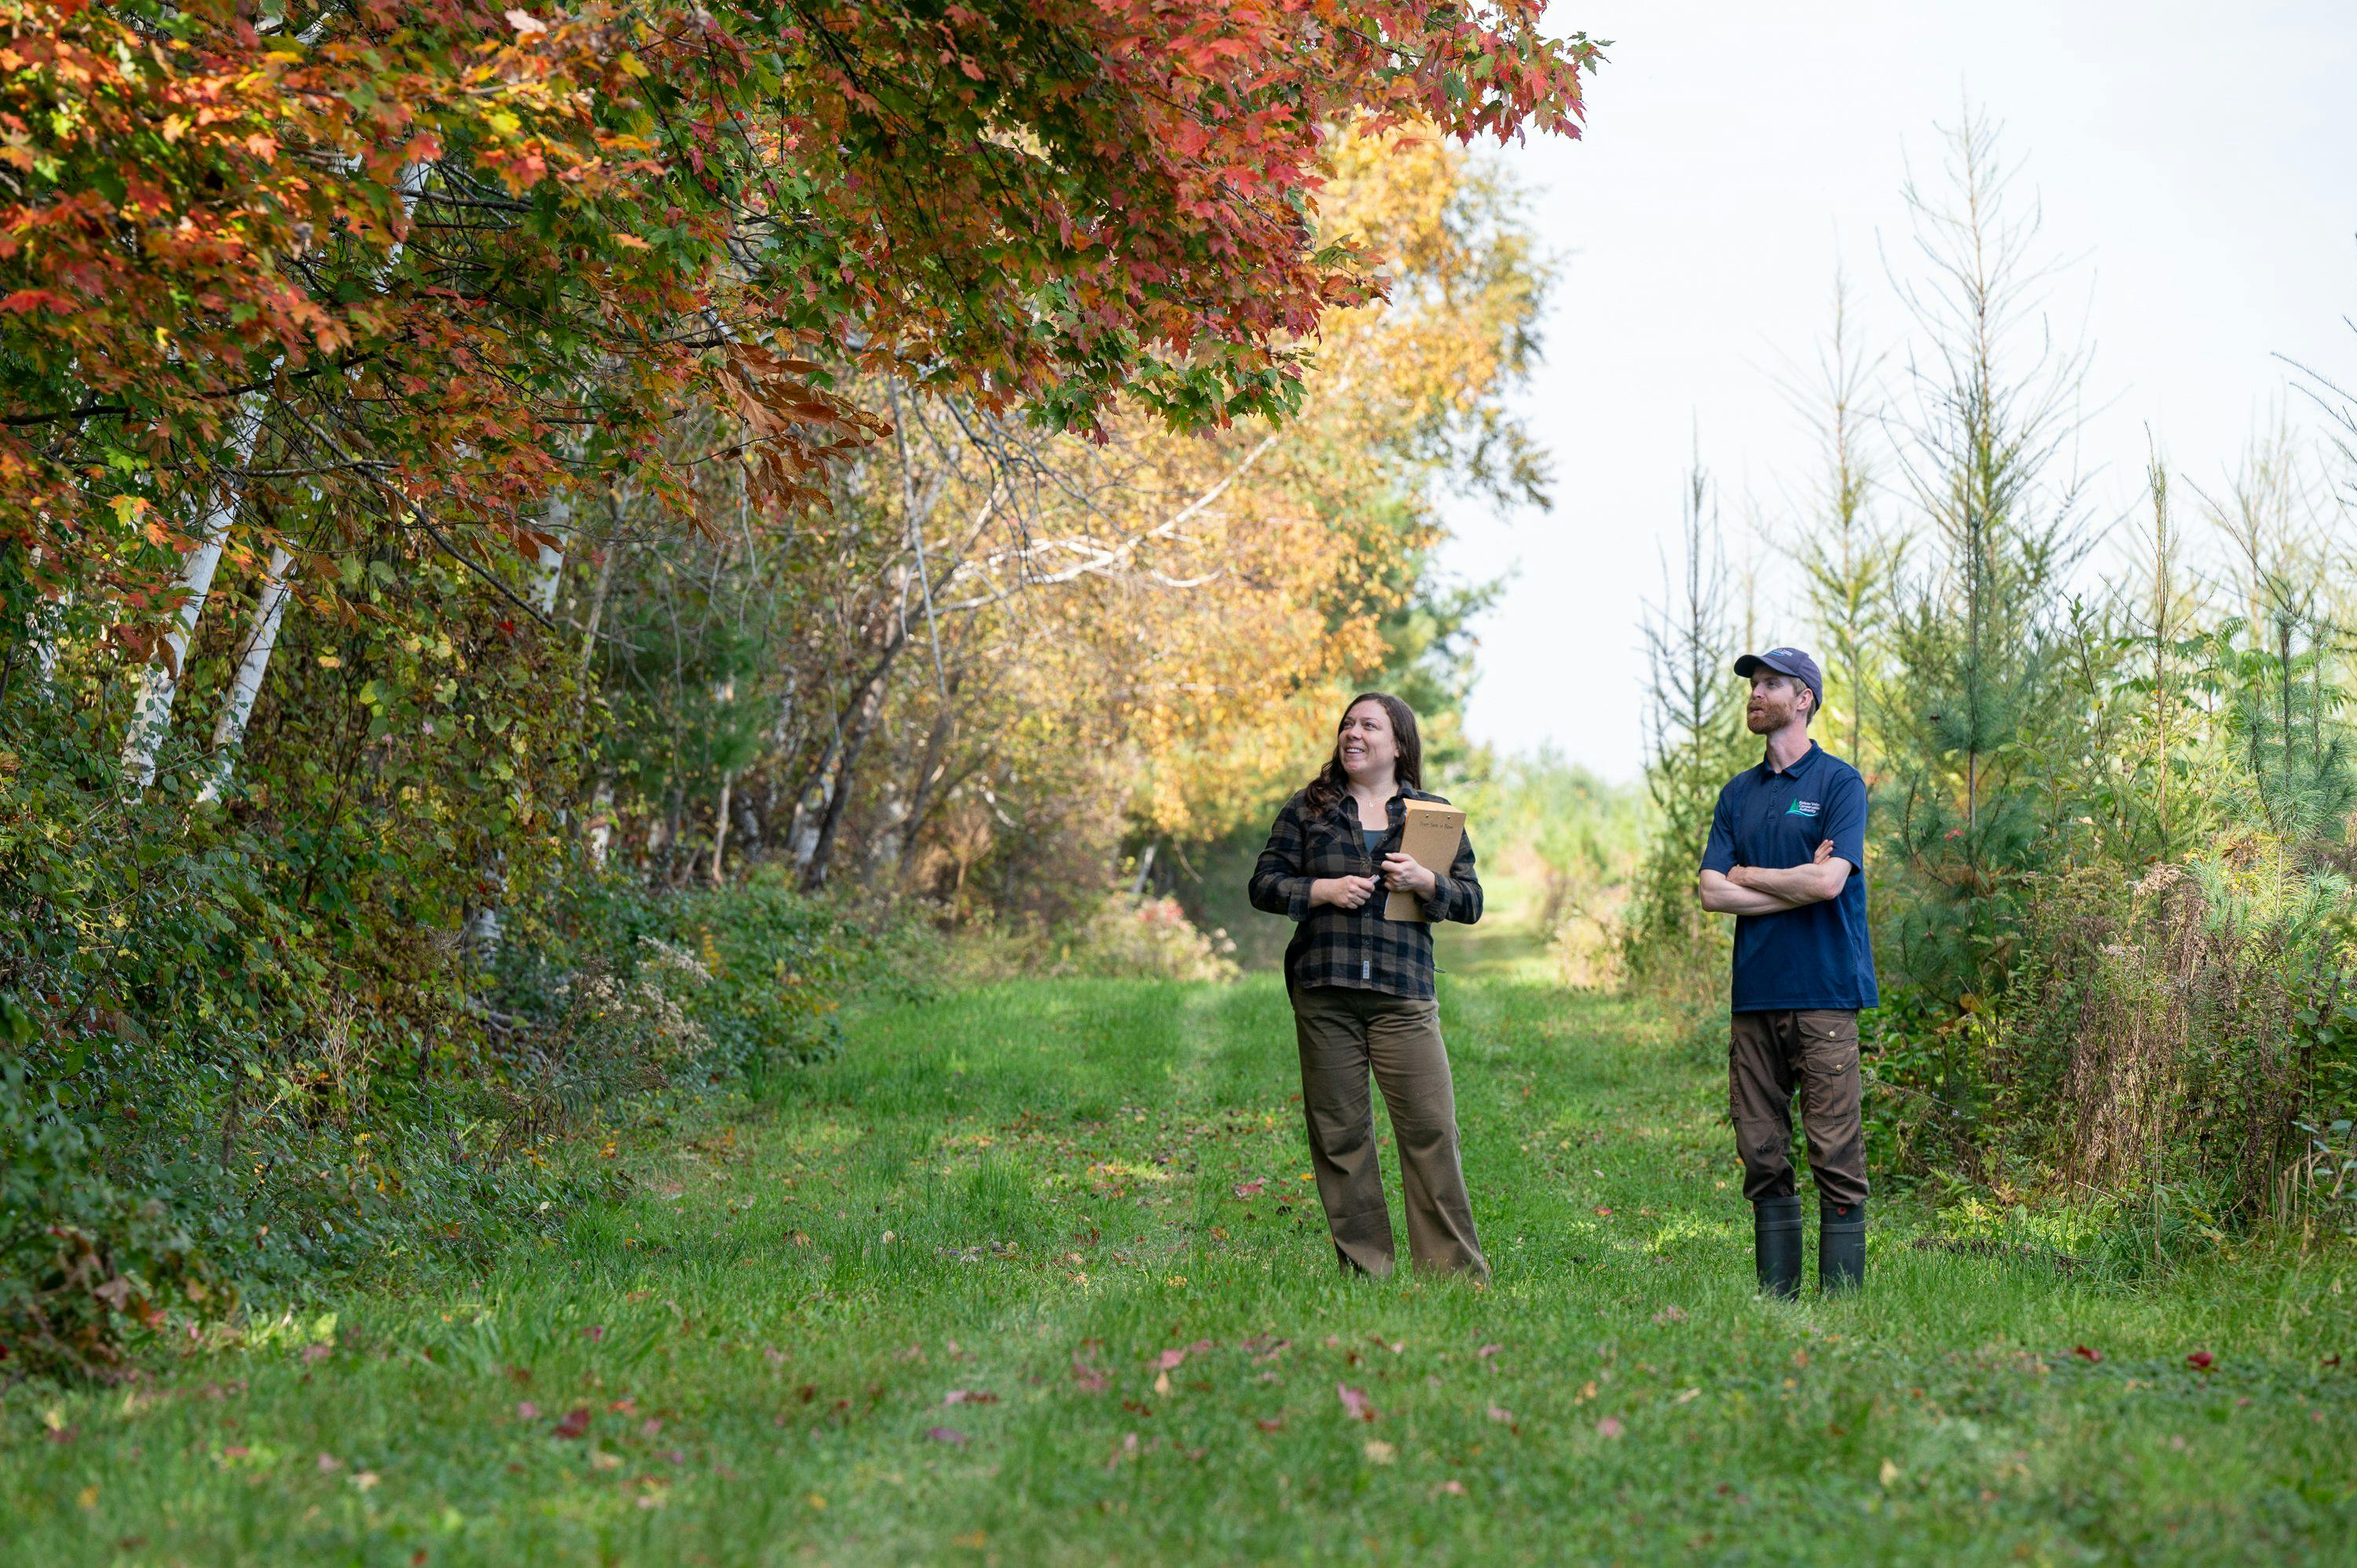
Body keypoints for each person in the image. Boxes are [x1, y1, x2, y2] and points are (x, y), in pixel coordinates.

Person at [1248, 692, 1487, 1278]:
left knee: (1431, 1129)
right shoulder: (1308, 809)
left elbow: (1472, 902)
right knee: (1340, 1137)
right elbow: (1264, 884)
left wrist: (1428, 881)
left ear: (1398, 743)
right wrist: (1319, 892)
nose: (1353, 733)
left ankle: (1453, 1274)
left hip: (1403, 995)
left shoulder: (1432, 815)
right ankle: (1365, 1270)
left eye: (1368, 725)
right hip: (1323, 990)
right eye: (1347, 724)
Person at [1696, 647, 1879, 1298]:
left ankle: (1842, 1302)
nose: (1756, 693)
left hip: (1825, 994)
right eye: (1753, 684)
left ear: (1804, 699)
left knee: (1834, 1150)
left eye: (1770, 684)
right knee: (1760, 1150)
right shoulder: (1737, 795)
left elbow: (1832, 882)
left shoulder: (1838, 784)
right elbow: (1712, 893)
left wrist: (1749, 874)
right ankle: (1777, 1300)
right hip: (1756, 996)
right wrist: (1792, 883)